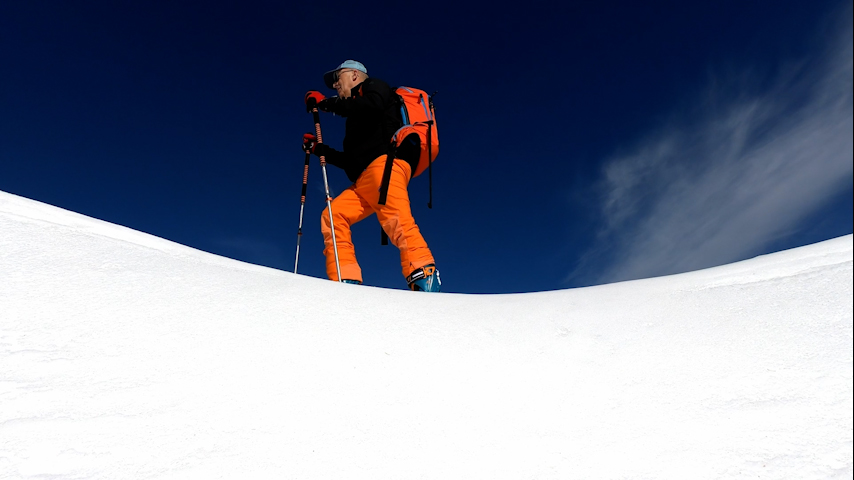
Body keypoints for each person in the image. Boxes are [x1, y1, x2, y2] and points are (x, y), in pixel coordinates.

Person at [303, 60, 441, 292]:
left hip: (385, 166)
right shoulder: (356, 115)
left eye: (339, 77)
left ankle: (424, 274)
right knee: (333, 215)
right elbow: (351, 162)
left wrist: (326, 104)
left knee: (396, 218)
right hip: (364, 180)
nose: (335, 84)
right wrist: (319, 150)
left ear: (355, 76)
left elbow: (373, 105)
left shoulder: (375, 88)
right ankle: (344, 278)